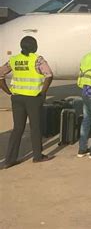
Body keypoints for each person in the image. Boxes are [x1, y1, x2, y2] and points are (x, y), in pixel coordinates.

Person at [0, 36, 54, 168]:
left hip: (17, 97)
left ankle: (9, 160)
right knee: (35, 127)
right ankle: (37, 156)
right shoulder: (37, 59)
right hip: (33, 98)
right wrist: (43, 92)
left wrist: (7, 91)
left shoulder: (14, 60)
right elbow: (49, 75)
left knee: (18, 128)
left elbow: (0, 74)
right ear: (33, 47)